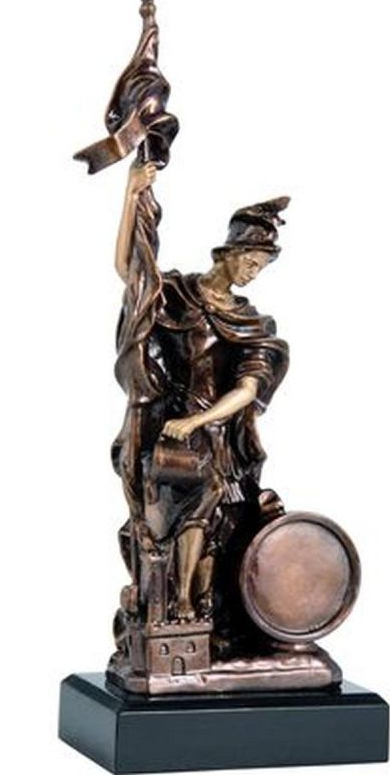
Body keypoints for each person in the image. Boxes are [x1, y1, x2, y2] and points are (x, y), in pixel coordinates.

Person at [112, 162, 289, 622]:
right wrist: (133, 195)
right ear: (229, 253)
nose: (253, 273)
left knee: (219, 519)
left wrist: (198, 421)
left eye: (261, 267)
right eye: (250, 261)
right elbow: (131, 271)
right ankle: (174, 605)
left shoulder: (252, 324)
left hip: (218, 436)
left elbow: (247, 390)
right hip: (166, 427)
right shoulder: (178, 293)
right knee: (172, 513)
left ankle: (204, 609)